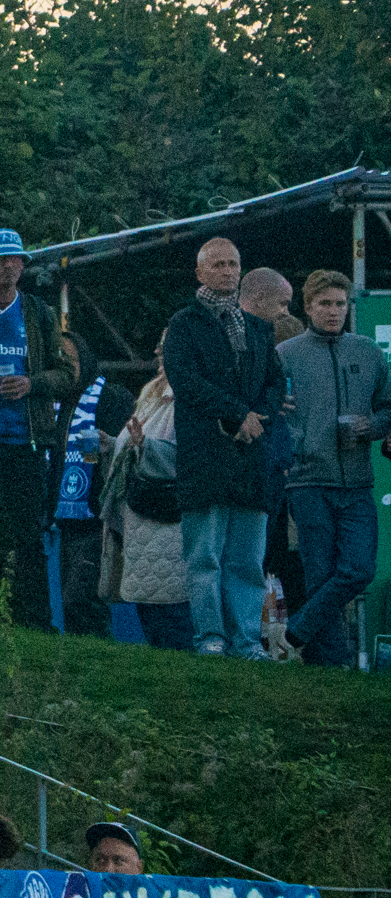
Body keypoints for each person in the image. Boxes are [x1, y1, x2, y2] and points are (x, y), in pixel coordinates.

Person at [158, 234, 283, 657]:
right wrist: (237, 414)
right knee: (205, 557)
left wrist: (257, 418)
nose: (227, 271)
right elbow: (186, 380)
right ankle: (210, 638)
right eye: (218, 265)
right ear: (200, 272)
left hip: (251, 457)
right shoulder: (184, 324)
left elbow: (273, 382)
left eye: (233, 264)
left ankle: (247, 642)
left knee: (248, 561)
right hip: (206, 456)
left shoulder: (259, 329)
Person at [275, 269, 380, 667]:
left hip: (356, 480)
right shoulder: (287, 354)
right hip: (306, 481)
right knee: (319, 574)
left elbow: (387, 406)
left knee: (358, 568)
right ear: (309, 307)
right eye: (325, 304)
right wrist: (292, 449)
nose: (334, 311)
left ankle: (298, 631)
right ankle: (331, 664)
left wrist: (375, 426)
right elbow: (274, 414)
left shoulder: (368, 351)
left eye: (340, 303)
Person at [0, 228, 64, 630]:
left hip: (25, 438)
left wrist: (32, 384)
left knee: (30, 533)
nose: (8, 268)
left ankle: (37, 620)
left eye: (14, 260)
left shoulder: (37, 313)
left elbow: (67, 373)